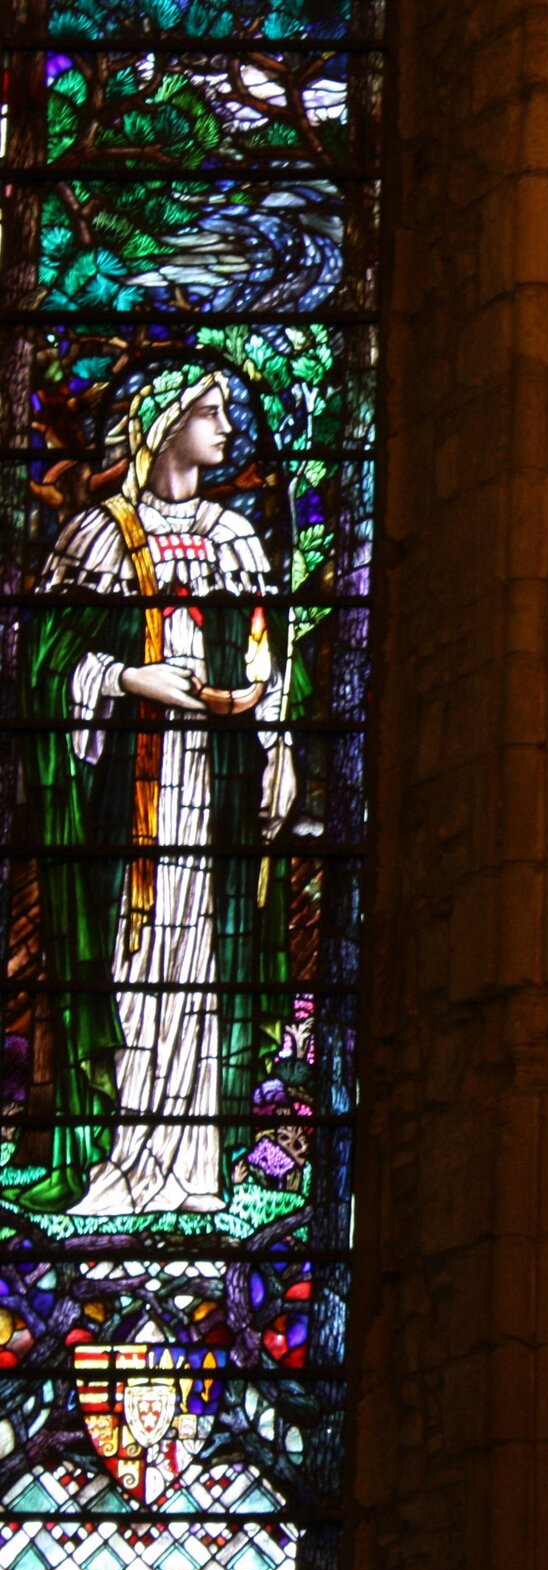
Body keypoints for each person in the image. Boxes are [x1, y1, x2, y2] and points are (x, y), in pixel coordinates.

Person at [10, 366, 294, 1216]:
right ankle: (121, 1154)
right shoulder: (97, 538)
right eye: (208, 413)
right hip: (122, 799)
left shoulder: (236, 536)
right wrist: (130, 679)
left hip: (213, 789)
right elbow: (45, 666)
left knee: (201, 960)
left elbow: (265, 655)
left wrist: (278, 746)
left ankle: (194, 1163)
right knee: (131, 963)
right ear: (165, 426)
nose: (225, 427)